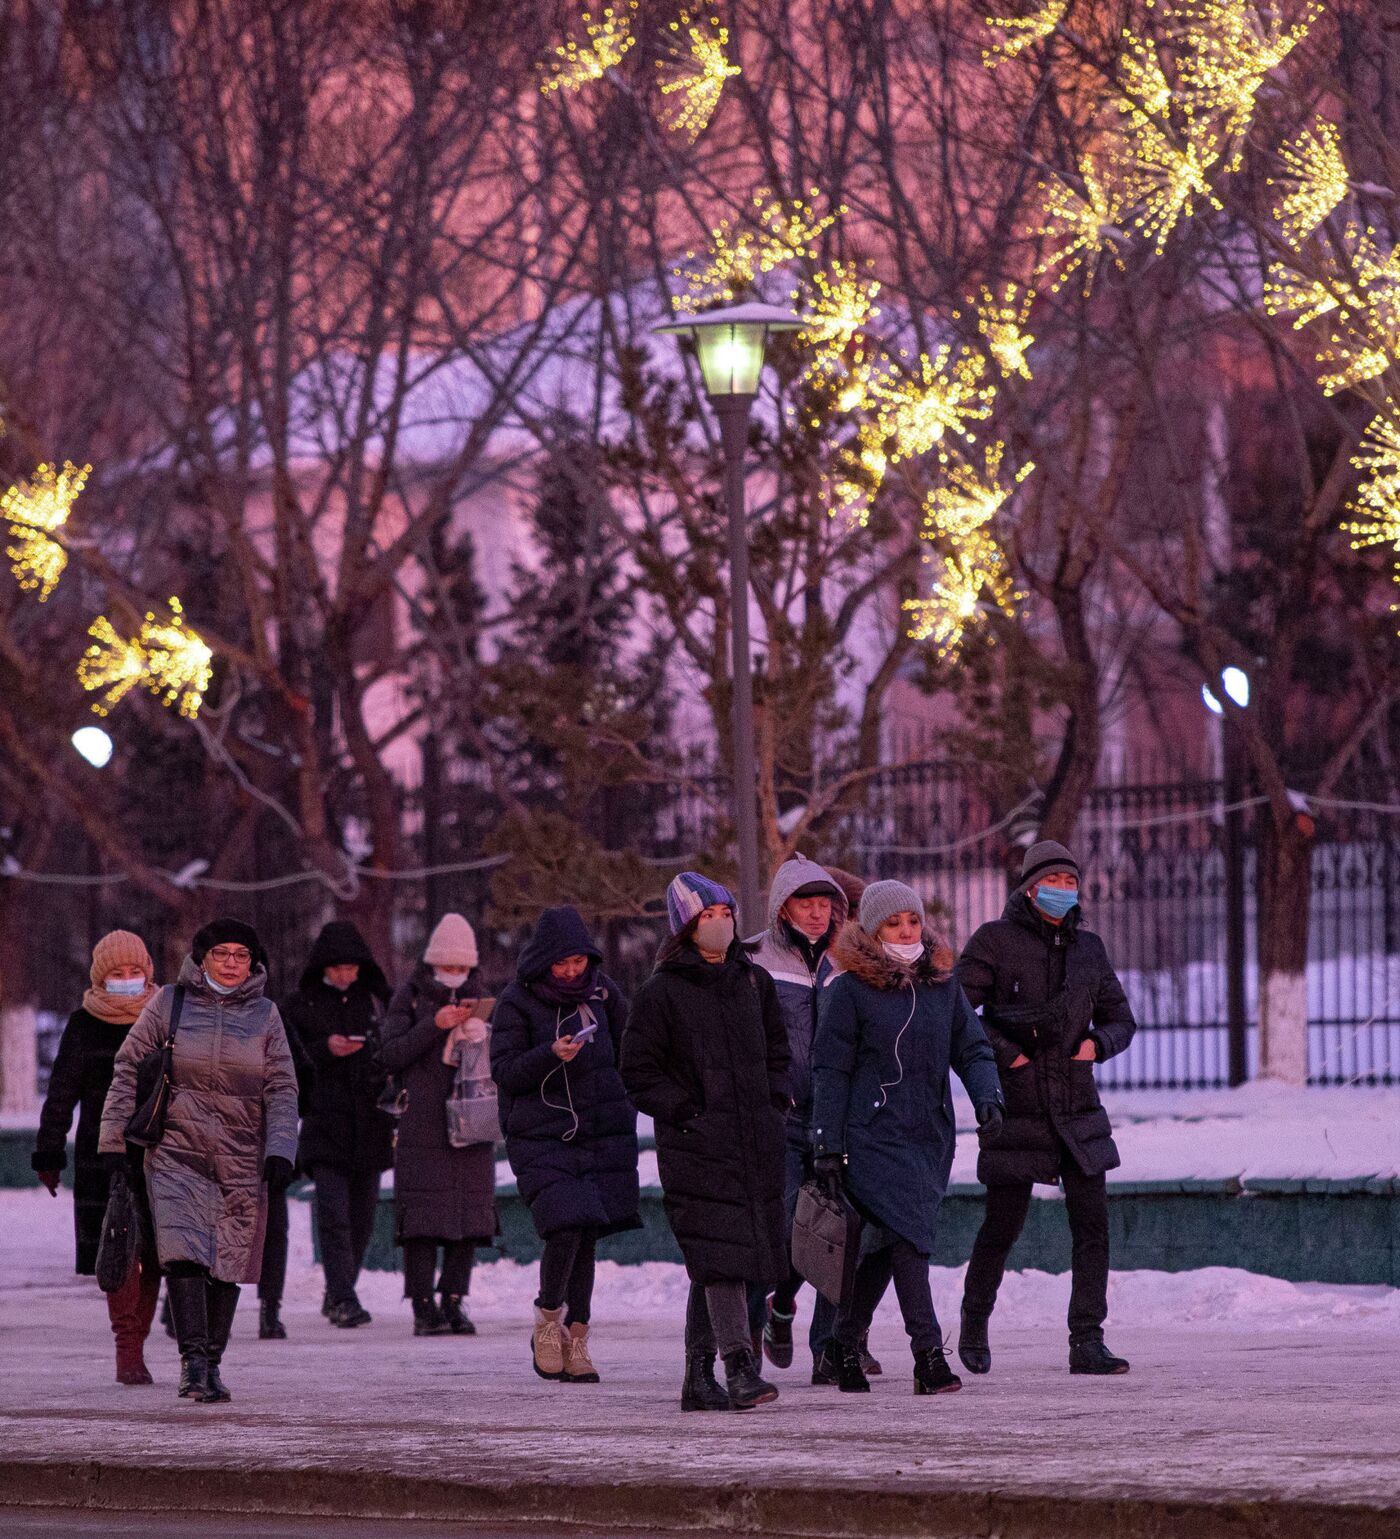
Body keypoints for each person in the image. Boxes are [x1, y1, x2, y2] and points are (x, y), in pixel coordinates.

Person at [811, 880, 1003, 1396]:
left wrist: (988, 1097)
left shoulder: (943, 986)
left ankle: (842, 1343)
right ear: (872, 931)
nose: (906, 931)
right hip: (871, 1135)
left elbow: (973, 1048)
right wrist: (826, 1142)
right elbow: (830, 1069)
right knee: (908, 1241)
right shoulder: (849, 989)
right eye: (893, 923)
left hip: (929, 1136)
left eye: (912, 921)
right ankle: (927, 1356)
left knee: (886, 1245)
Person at [955, 840, 1138, 1377]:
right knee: (1003, 1222)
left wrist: (1098, 1044)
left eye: (1069, 882)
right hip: (1020, 1104)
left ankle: (1087, 1339)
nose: (1062, 891)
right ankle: (974, 1319)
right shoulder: (995, 941)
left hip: (1077, 1104)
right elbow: (957, 1011)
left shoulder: (1089, 949)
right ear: (1029, 887)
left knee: (1092, 1224)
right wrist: (1006, 1055)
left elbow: (1121, 1017)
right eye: (1052, 881)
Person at [98, 918, 299, 1404]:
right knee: (184, 1253)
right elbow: (128, 1067)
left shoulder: (267, 1016)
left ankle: (212, 1362)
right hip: (174, 1153)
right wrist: (112, 1143)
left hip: (240, 1158)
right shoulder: (169, 1003)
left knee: (226, 1262)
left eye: (241, 955)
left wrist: (280, 1151)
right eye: (221, 953)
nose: (231, 963)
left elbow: (282, 1088)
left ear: (254, 963)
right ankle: (192, 1363)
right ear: (202, 957)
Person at [621, 872, 789, 1413]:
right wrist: (687, 1110)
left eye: (725, 914)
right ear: (685, 927)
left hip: (754, 1140)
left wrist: (776, 1100)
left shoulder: (752, 982)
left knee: (723, 1255)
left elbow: (779, 1052)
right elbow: (638, 1071)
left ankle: (698, 1376)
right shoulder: (661, 993)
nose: (719, 925)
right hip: (698, 1146)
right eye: (707, 917)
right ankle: (739, 1365)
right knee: (721, 1258)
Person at [491, 906, 639, 1384]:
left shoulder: (602, 992)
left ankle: (579, 1334)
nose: (573, 971)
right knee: (565, 1226)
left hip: (598, 1129)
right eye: (563, 964)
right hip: (541, 1133)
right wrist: (549, 1055)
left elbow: (631, 1043)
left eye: (579, 961)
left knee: (588, 1231)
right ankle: (548, 1318)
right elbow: (506, 1071)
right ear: (543, 962)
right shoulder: (517, 1001)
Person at [32, 931, 162, 1386]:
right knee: (119, 1250)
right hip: (102, 1156)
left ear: (148, 971)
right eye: (116, 974)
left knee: (157, 1254)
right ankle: (127, 1348)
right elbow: (61, 1092)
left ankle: (138, 1342)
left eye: (135, 972)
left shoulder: (166, 1018)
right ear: (99, 977)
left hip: (161, 1151)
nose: (127, 980)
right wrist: (49, 1149)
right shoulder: (84, 1023)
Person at [744, 853, 853, 1383]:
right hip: (782, 1120)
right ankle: (779, 1307)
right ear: (782, 910)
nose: (817, 914)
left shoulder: (848, 960)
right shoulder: (756, 962)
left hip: (836, 1116)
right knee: (790, 1230)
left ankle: (828, 1348)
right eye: (805, 904)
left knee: (836, 1232)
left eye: (825, 904)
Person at [379, 912, 497, 1337]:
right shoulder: (409, 997)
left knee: (469, 1216)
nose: (454, 976)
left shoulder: (481, 998)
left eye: (462, 969)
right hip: (423, 1123)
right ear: (431, 964)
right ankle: (423, 1304)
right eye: (447, 968)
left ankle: (453, 1299)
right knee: (422, 1220)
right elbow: (390, 1053)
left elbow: (499, 1057)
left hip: (472, 1121)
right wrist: (435, 1026)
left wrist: (479, 1035)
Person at [281, 920, 395, 1331]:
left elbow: (396, 1050)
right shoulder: (300, 1006)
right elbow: (287, 1059)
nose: (346, 976)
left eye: (352, 968)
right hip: (324, 1122)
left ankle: (339, 1291)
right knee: (333, 1213)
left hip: (369, 1123)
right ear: (323, 968)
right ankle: (344, 1295)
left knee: (363, 1216)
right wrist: (325, 1050)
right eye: (337, 968)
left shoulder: (380, 1001)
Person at [255, 1008, 315, 1339]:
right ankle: (188, 1307)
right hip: (213, 1140)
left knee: (273, 1228)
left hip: (266, 1138)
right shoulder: (195, 1010)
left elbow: (303, 1074)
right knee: (213, 1228)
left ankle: (270, 1306)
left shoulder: (271, 1017)